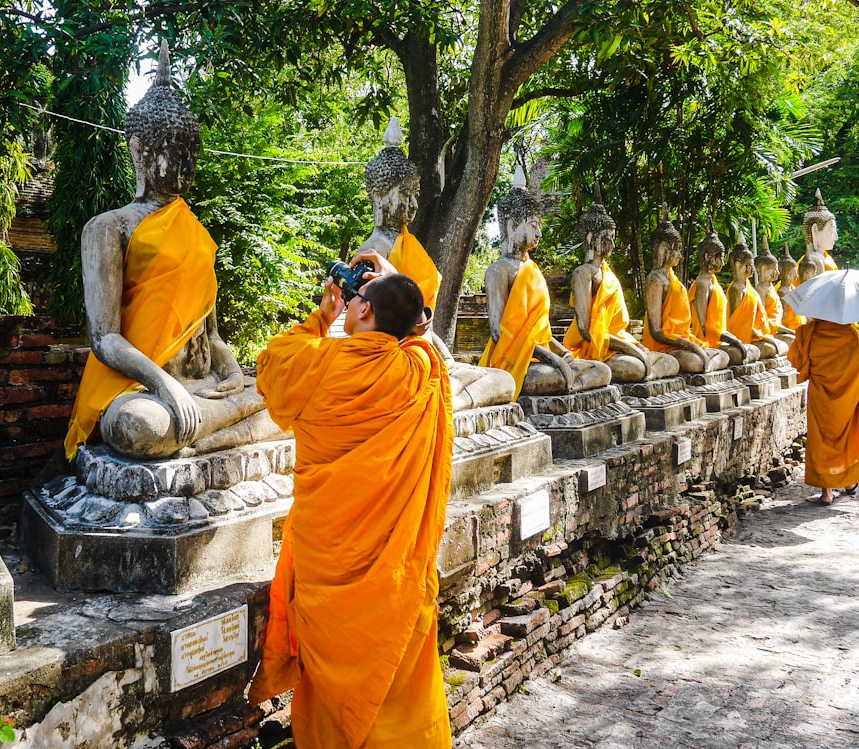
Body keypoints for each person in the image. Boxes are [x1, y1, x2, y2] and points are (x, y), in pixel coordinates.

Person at [247, 251, 453, 748]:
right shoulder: (420, 370)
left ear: (360, 311)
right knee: (396, 676)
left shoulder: (319, 363)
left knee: (332, 692)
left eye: (359, 299)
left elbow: (272, 361)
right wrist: (390, 288)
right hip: (394, 575)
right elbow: (426, 339)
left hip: (328, 565)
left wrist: (324, 314)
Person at [63, 43, 282, 461]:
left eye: (192, 153)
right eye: (175, 151)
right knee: (139, 428)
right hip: (139, 389)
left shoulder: (196, 234)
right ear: (138, 151)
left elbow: (210, 333)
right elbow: (105, 337)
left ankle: (211, 428)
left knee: (278, 396)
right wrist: (164, 385)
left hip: (203, 386)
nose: (187, 164)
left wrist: (233, 372)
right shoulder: (109, 227)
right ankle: (219, 426)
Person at [359, 118, 515, 409]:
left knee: (503, 381)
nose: (414, 206)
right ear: (379, 197)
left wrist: (447, 359)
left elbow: (423, 326)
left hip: (423, 353)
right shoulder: (372, 252)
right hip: (394, 363)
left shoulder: (410, 246)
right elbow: (369, 329)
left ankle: (445, 388)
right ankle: (441, 393)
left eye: (416, 196)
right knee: (485, 382)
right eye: (405, 196)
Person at [481, 167, 612, 397]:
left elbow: (543, 333)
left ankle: (569, 380)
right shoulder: (498, 270)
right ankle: (566, 381)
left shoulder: (533, 271)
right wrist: (551, 358)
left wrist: (562, 354)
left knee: (602, 371)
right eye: (533, 225)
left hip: (542, 358)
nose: (539, 233)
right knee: (547, 377)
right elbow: (500, 334)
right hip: (516, 362)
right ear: (512, 225)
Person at [563, 183, 678, 381]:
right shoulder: (583, 273)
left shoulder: (607, 273)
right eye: (608, 238)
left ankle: (644, 367)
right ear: (591, 237)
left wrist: (632, 344)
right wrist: (628, 348)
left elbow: (617, 328)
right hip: (595, 348)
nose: (613, 244)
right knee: (636, 367)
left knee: (670, 362)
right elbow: (587, 331)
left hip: (617, 343)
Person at [788, 317, 859, 504]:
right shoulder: (857, 333)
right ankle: (849, 483)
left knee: (821, 439)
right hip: (850, 395)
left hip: (821, 396)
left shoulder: (809, 332)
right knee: (849, 438)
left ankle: (826, 493)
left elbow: (797, 361)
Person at [642, 206, 729, 373]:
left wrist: (690, 343)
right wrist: (688, 344)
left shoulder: (673, 279)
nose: (680, 256)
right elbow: (656, 331)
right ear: (662, 249)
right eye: (676, 250)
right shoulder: (655, 280)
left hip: (683, 341)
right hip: (664, 346)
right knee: (696, 362)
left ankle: (703, 360)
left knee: (723, 356)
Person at [688, 220, 758, 365]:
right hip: (705, 343)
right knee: (738, 353)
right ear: (707, 256)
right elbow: (703, 328)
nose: (723, 262)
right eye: (719, 257)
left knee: (752, 351)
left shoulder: (713, 281)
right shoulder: (702, 284)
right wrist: (732, 339)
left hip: (718, 341)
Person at [726, 241, 788, 358]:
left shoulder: (750, 289)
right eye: (747, 265)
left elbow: (759, 320)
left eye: (751, 265)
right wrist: (760, 335)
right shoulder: (736, 289)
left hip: (757, 334)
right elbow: (735, 324)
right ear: (737, 265)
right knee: (772, 349)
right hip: (742, 337)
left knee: (781, 346)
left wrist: (762, 335)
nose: (751, 269)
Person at [753, 238, 796, 344]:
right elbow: (762, 319)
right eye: (773, 269)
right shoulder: (760, 290)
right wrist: (790, 331)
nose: (776, 272)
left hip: (777, 326)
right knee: (795, 340)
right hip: (769, 329)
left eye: (777, 269)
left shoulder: (771, 288)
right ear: (763, 269)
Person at [777, 243, 806, 330]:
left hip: (798, 323)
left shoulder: (793, 288)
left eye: (795, 273)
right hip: (788, 326)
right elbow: (783, 315)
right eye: (792, 273)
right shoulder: (782, 291)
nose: (796, 276)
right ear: (784, 273)